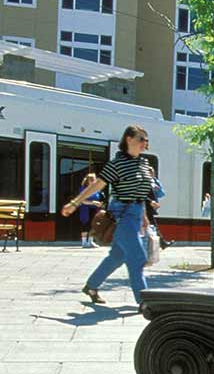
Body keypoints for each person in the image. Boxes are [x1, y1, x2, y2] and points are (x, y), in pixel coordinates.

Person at [61, 125, 153, 307]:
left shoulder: (143, 163)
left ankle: (91, 286)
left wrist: (144, 216)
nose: (145, 143)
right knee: (137, 258)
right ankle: (144, 303)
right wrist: (75, 202)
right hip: (122, 215)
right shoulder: (117, 163)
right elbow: (98, 185)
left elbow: (140, 193)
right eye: (141, 139)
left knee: (117, 256)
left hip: (135, 214)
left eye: (147, 140)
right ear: (129, 139)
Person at [77, 172, 104, 248]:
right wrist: (92, 202)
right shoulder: (83, 188)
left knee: (93, 225)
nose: (93, 180)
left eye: (94, 179)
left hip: (95, 209)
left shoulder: (97, 189)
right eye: (91, 179)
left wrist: (100, 203)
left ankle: (91, 241)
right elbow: (82, 200)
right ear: (87, 180)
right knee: (85, 224)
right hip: (85, 209)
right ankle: (84, 242)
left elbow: (100, 197)